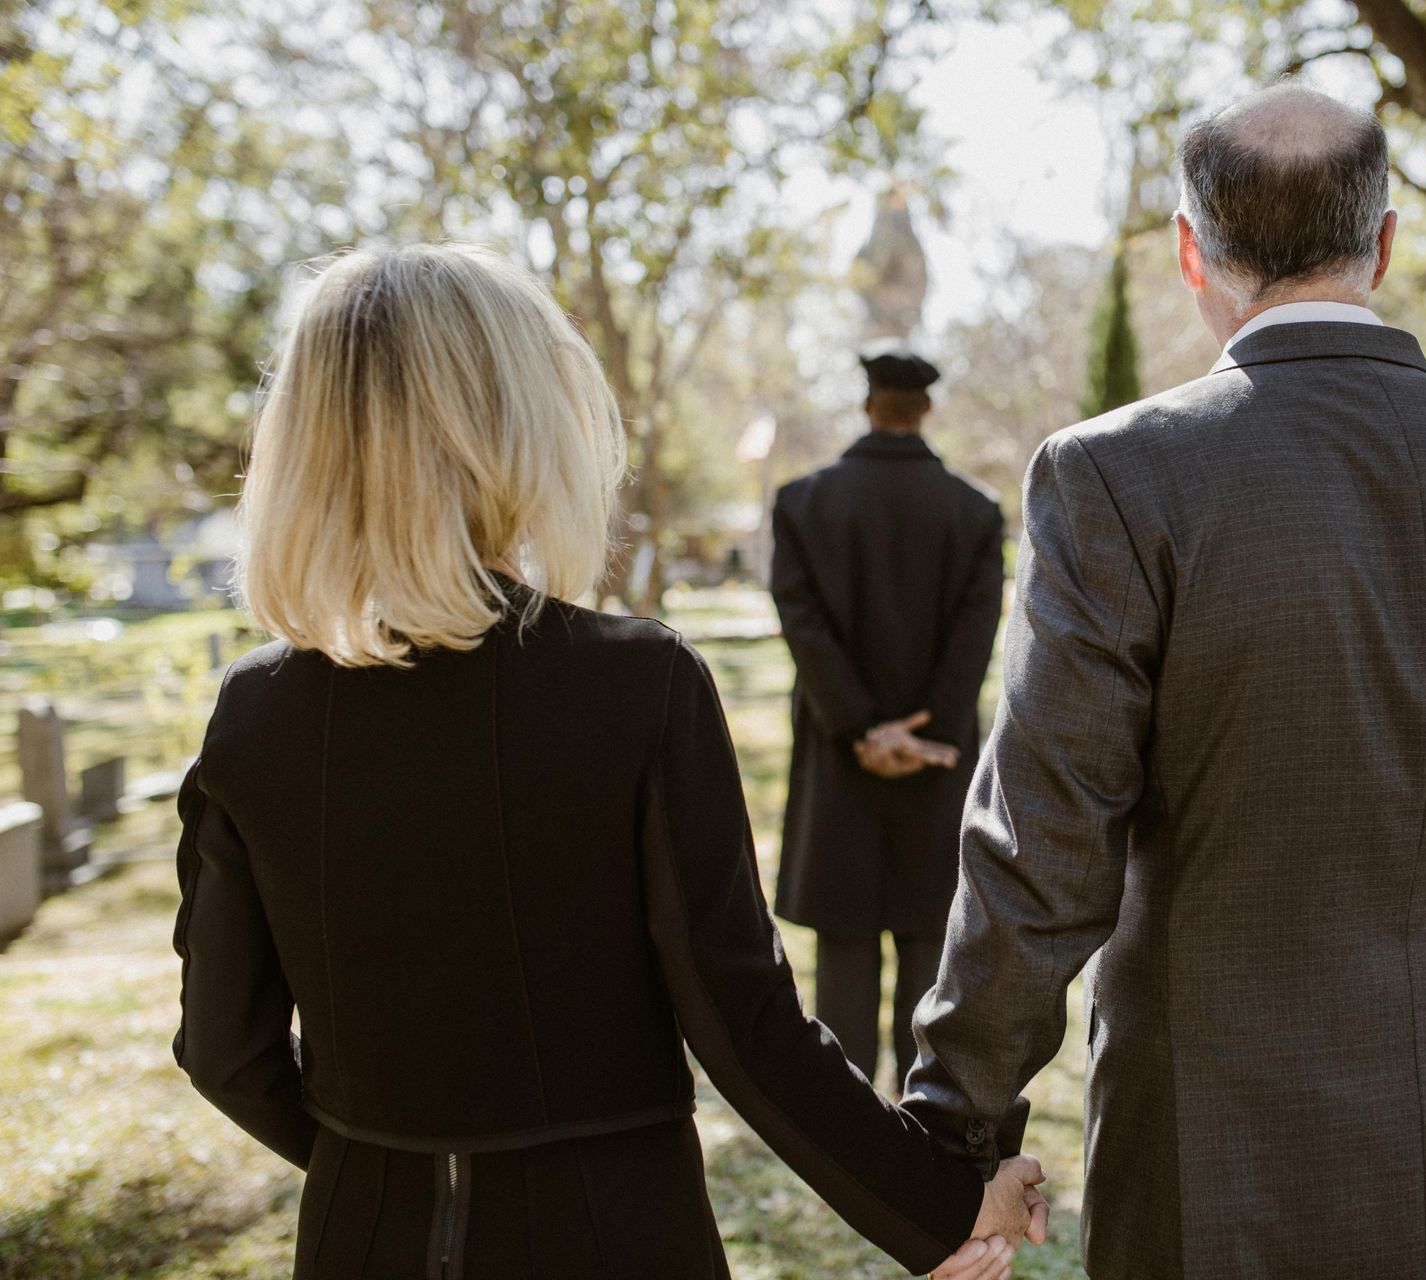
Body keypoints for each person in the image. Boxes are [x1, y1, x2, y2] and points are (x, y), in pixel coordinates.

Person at [169, 244, 1044, 1280]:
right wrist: (942, 1203)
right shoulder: (638, 683)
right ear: (516, 425)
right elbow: (744, 1023)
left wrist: (382, 1160)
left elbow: (224, 1047)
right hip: (617, 1233)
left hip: (361, 1234)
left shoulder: (253, 710)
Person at [904, 83, 1426, 1280]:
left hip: (1216, 1177)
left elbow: (1042, 847)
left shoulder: (1117, 477)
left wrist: (956, 1130)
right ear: (1387, 244)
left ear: (1194, 251)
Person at [768, 346, 1005, 1091]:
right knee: (930, 944)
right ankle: (920, 1120)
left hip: (843, 760)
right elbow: (976, 637)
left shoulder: (802, 501)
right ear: (925, 409)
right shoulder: (974, 511)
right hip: (935, 764)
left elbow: (802, 623)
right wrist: (920, 733)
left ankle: (847, 1133)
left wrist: (862, 727)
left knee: (843, 949)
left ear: (869, 405)